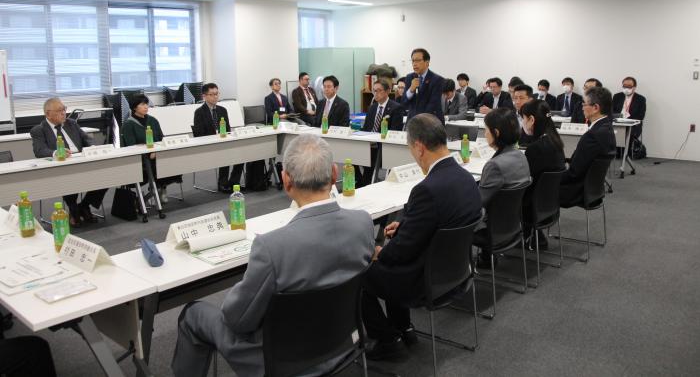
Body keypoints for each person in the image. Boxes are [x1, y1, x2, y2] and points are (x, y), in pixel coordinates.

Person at [172, 134, 374, 377]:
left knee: (194, 314)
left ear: (286, 180)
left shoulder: (271, 247)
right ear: (334, 174)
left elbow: (236, 320)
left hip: (282, 360)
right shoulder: (363, 223)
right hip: (343, 344)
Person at [361, 114, 482, 360]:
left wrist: (378, 252)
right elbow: (440, 222)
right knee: (393, 251)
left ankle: (388, 340)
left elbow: (401, 251)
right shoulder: (466, 178)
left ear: (419, 147)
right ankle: (404, 328)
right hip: (455, 272)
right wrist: (406, 225)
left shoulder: (427, 189)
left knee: (360, 271)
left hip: (426, 279)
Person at [30, 97, 108, 226]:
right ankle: (73, 208)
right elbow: (39, 150)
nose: (63, 113)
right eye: (59, 110)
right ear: (48, 114)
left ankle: (83, 205)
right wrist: (56, 153)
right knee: (69, 176)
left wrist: (94, 147)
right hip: (60, 166)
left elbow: (87, 139)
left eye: (64, 109)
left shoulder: (71, 123)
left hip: (82, 161)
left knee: (107, 175)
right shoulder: (39, 130)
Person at [475, 107, 531, 268]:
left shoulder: (495, 165)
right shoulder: (521, 156)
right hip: (512, 227)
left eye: (486, 130)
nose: (484, 134)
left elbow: (477, 204)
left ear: (496, 133)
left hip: (493, 231)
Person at [520, 100, 566, 249]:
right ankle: (533, 237)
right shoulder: (555, 141)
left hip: (532, 206)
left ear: (532, 120)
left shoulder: (535, 148)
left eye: (523, 118)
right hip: (550, 204)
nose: (523, 123)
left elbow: (526, 181)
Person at [559, 87, 616, 206]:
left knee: (536, 185)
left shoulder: (592, 135)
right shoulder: (607, 128)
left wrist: (554, 177)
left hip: (578, 191)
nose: (582, 107)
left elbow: (574, 173)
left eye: (584, 104)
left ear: (595, 108)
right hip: (594, 190)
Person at [121, 94, 181, 203]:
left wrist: (158, 151)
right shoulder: (129, 124)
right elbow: (131, 148)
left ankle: (159, 188)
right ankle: (155, 191)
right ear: (134, 107)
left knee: (176, 162)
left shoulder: (153, 120)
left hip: (158, 155)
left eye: (146, 104)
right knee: (158, 166)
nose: (146, 107)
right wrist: (149, 153)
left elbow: (162, 139)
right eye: (142, 104)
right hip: (141, 160)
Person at [192, 83, 244, 193]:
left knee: (241, 154)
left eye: (216, 94)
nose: (215, 97)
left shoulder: (222, 110)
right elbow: (199, 134)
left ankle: (234, 182)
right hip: (209, 145)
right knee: (225, 153)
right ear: (204, 96)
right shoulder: (199, 112)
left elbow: (228, 129)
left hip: (223, 141)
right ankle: (223, 184)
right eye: (212, 94)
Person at [401, 48, 445, 122]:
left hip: (431, 121)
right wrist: (411, 90)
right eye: (413, 61)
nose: (414, 64)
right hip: (412, 121)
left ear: (427, 62)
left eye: (418, 60)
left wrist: (419, 120)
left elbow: (432, 104)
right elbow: (404, 102)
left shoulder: (437, 80)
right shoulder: (409, 77)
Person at [612, 76, 646, 141]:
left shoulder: (641, 99)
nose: (626, 88)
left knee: (628, 138)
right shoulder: (617, 96)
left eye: (629, 86)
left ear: (634, 87)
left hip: (632, 126)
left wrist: (628, 121)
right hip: (617, 123)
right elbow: (612, 111)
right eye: (624, 86)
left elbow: (641, 116)